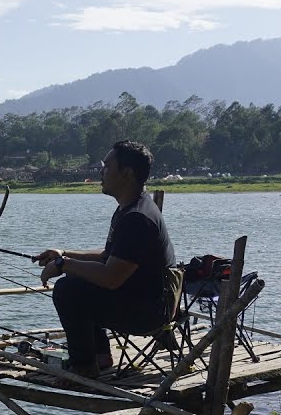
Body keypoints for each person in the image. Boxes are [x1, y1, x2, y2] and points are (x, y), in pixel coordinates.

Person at [33, 140, 178, 379]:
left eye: (106, 167)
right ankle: (100, 355)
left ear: (127, 174)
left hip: (147, 312)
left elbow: (111, 278)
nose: (101, 173)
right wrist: (64, 254)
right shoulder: (129, 209)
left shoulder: (137, 217)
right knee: (77, 275)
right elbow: (107, 257)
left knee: (67, 289)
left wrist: (63, 265)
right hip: (141, 300)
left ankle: (84, 367)